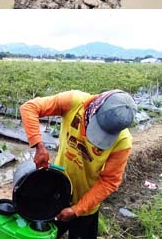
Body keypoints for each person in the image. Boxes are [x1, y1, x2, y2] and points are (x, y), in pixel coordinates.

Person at [20, 90, 136, 239]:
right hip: (56, 194)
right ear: (96, 108)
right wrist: (39, 145)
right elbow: (29, 107)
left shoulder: (123, 141)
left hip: (86, 205)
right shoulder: (74, 102)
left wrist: (77, 209)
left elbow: (109, 181)